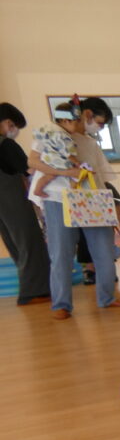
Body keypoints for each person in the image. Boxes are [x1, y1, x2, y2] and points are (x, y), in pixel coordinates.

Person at [28, 97, 120, 320]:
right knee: (61, 252)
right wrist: (66, 173)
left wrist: (112, 210)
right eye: (100, 122)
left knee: (104, 250)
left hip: (92, 199)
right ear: (86, 115)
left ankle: (107, 297)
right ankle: (61, 304)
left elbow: (102, 178)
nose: (99, 127)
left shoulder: (90, 143)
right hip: (58, 198)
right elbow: (33, 162)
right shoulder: (52, 132)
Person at [0, 102, 50, 305]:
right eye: (13, 125)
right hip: (11, 198)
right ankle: (34, 291)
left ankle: (31, 287)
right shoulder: (6, 145)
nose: (14, 130)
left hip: (4, 205)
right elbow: (28, 168)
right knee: (29, 241)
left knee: (15, 244)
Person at [30, 102, 82, 199]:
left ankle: (38, 189)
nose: (78, 127)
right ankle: (73, 192)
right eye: (76, 123)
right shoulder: (63, 136)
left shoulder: (49, 128)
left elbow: (38, 136)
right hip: (57, 162)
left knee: (48, 176)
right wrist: (76, 162)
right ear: (66, 121)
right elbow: (67, 153)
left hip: (47, 158)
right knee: (74, 175)